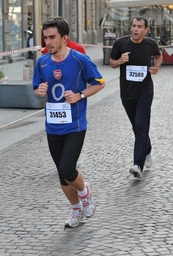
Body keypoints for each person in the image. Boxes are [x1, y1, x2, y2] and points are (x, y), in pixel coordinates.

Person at [33, 17, 105, 228]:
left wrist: (80, 95)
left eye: (52, 37)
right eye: (45, 38)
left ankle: (85, 192)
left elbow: (99, 83)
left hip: (75, 125)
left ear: (65, 38)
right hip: (52, 126)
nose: (48, 42)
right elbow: (37, 91)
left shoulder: (80, 59)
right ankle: (76, 210)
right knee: (62, 176)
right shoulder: (42, 62)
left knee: (67, 168)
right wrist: (40, 92)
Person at [109, 16, 163, 178]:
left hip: (145, 90)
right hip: (127, 92)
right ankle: (146, 150)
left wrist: (156, 66)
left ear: (145, 30)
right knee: (136, 126)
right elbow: (111, 62)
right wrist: (120, 60)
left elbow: (158, 55)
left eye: (139, 26)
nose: (135, 29)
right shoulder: (120, 43)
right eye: (133, 26)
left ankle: (137, 164)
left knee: (141, 124)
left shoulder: (150, 44)